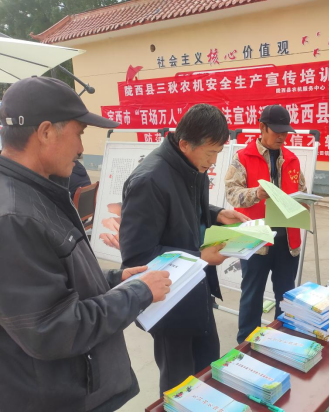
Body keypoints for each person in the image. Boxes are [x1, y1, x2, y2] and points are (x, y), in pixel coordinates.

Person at [0, 77, 171, 412]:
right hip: (56, 397)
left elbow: (53, 280)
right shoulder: (14, 217)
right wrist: (138, 294)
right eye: (79, 133)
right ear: (45, 132)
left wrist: (113, 280)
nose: (81, 148)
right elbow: (51, 328)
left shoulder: (35, 191)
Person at [119, 103, 249, 394]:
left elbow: (183, 211)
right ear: (185, 144)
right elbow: (137, 257)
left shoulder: (192, 166)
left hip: (197, 288)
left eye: (218, 153)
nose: (213, 162)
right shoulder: (149, 181)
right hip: (169, 300)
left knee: (207, 368)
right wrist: (199, 256)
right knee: (178, 384)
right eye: (211, 153)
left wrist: (216, 214)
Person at [225, 105, 307, 344]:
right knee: (252, 294)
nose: (282, 136)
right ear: (262, 127)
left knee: (286, 295)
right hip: (255, 238)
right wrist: (256, 194)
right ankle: (247, 344)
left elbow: (301, 190)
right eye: (277, 131)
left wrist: (304, 202)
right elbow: (232, 194)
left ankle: (283, 340)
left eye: (285, 132)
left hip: (287, 240)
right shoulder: (243, 157)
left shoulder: (291, 159)